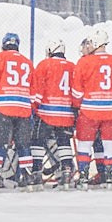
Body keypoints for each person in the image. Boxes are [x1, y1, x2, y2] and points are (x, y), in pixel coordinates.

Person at [72, 35, 112, 186]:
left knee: (84, 144)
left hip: (90, 110)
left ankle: (84, 175)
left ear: (97, 43)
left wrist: (79, 105)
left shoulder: (84, 61)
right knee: (111, 144)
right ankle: (110, 176)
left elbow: (77, 91)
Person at [0, 32, 38, 185]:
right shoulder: (28, 62)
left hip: (3, 107)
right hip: (24, 108)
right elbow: (33, 93)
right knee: (23, 143)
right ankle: (27, 175)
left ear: (3, 44)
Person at [31, 43, 78, 186]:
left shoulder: (44, 64)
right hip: (66, 112)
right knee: (64, 142)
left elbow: (38, 88)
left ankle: (37, 173)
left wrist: (34, 105)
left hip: (47, 111)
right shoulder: (72, 66)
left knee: (37, 141)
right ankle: (66, 172)